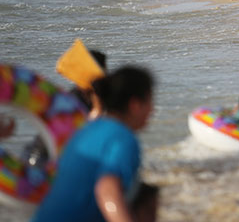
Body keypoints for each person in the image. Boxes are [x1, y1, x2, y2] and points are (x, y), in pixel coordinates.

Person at [33, 66, 154, 222]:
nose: (152, 110)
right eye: (151, 101)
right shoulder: (123, 137)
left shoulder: (87, 129)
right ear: (135, 105)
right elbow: (107, 190)